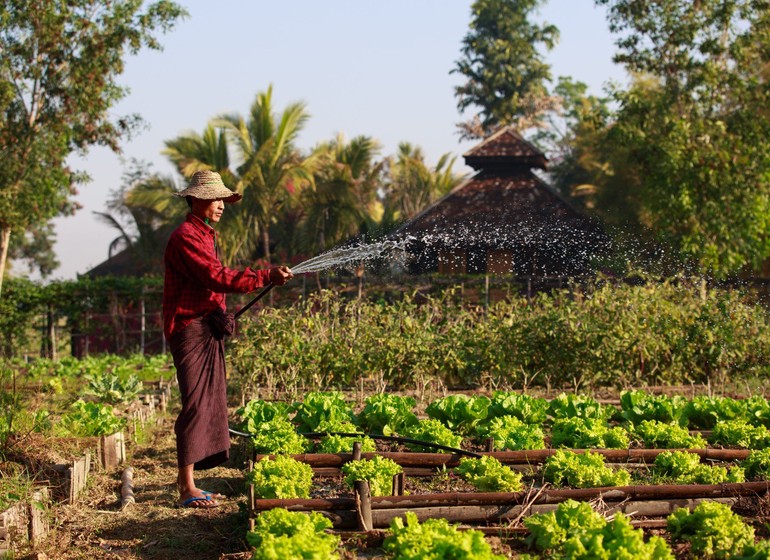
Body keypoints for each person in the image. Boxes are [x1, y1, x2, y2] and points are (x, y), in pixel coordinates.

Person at [162, 169, 293, 509]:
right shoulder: (185, 237)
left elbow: (212, 282)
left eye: (223, 198)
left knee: (208, 401)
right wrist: (264, 275)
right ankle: (186, 487)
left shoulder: (205, 234)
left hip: (206, 326)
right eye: (215, 198)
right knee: (195, 402)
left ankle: (187, 481)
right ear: (195, 199)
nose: (221, 204)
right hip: (189, 327)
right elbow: (215, 276)